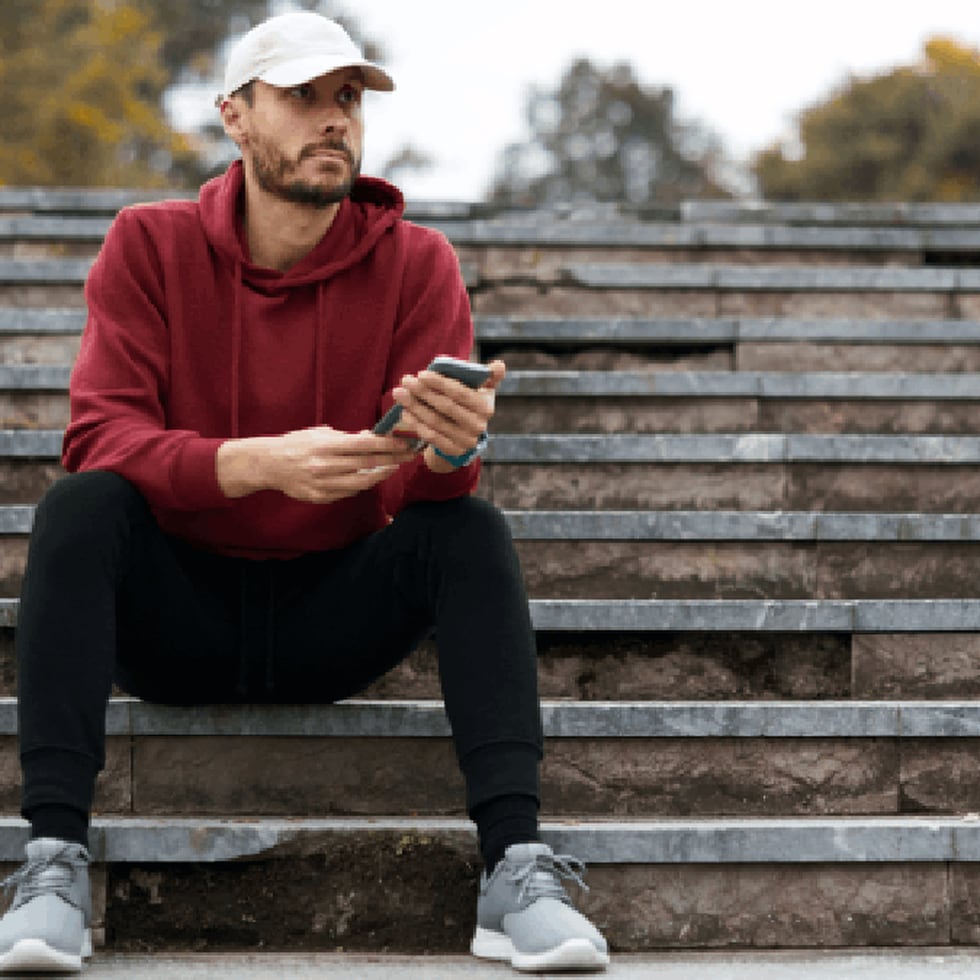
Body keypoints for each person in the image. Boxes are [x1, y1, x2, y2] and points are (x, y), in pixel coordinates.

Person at [0, 10, 609, 976]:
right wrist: (257, 462)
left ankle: (513, 869)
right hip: (177, 617)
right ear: (236, 118)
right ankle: (53, 863)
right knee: (80, 506)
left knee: (473, 532)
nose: (334, 120)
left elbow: (428, 483)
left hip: (335, 614)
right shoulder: (147, 245)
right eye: (304, 98)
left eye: (348, 99)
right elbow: (98, 434)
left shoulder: (418, 263)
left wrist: (450, 457)